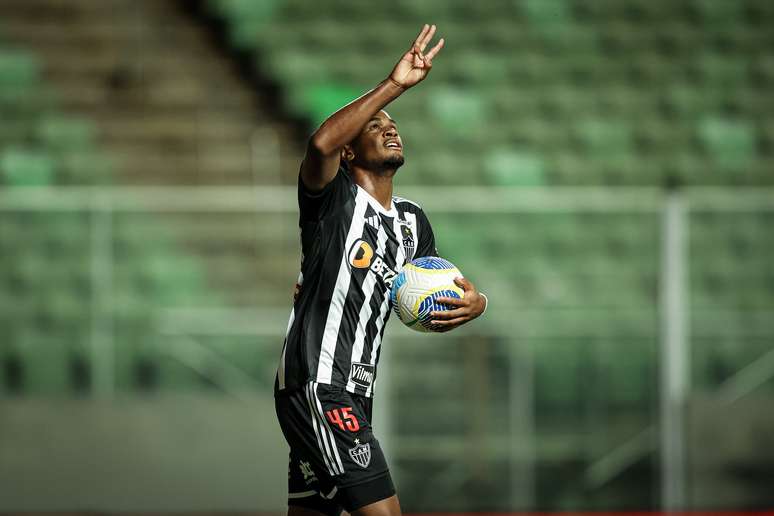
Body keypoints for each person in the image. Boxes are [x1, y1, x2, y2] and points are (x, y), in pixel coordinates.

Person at [274, 24, 487, 516]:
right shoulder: (332, 201)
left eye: (393, 122)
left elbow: (440, 293)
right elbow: (322, 144)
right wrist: (395, 85)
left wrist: (476, 303)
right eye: (375, 125)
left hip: (355, 393)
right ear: (351, 150)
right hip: (319, 387)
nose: (390, 127)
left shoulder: (413, 224)